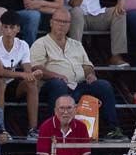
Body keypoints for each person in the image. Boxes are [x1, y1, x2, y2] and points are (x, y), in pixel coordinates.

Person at [30, 9, 124, 140]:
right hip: (52, 85)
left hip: (78, 85)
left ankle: (112, 130)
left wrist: (90, 74)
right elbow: (36, 68)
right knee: (58, 85)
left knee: (103, 85)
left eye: (66, 22)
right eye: (58, 21)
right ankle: (55, 129)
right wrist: (55, 75)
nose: (62, 25)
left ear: (69, 25)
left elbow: (87, 65)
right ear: (51, 22)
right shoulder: (41, 43)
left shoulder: (76, 44)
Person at [0, 10, 41, 137]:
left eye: (12, 27)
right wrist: (23, 75)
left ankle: (32, 129)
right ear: (1, 27)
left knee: (32, 83)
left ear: (18, 29)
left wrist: (33, 74)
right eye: (5, 27)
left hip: (11, 84)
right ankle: (1, 128)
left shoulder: (23, 45)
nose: (8, 31)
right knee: (0, 81)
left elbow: (27, 71)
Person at [37, 93, 103, 155]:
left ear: (75, 109)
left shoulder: (82, 126)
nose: (65, 112)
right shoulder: (46, 126)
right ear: (55, 110)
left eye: (69, 108)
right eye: (61, 108)